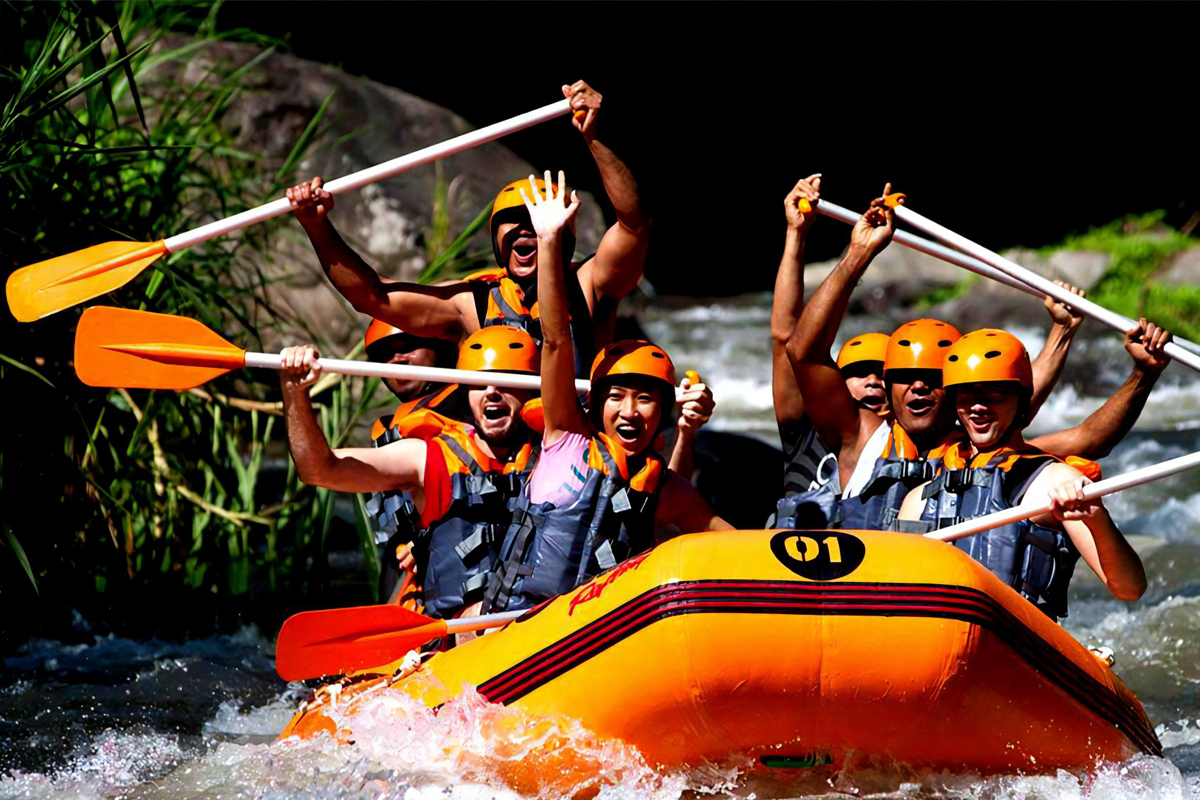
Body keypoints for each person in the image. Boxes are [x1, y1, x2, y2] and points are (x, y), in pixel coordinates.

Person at [483, 172, 730, 614]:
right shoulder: (565, 436)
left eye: (646, 399)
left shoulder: (666, 489)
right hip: (513, 625)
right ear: (596, 403)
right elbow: (557, 340)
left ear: (664, 412)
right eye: (616, 396)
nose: (630, 412)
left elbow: (730, 542)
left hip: (596, 640)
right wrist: (548, 242)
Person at [285, 80, 650, 378]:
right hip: (504, 456)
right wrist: (317, 225)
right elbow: (372, 297)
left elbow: (633, 224)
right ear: (497, 242)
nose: (528, 228)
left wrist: (594, 138)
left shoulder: (593, 284)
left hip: (574, 449)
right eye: (515, 220)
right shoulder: (472, 303)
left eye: (538, 220)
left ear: (565, 236)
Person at [279, 325, 540, 621]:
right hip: (461, 629)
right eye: (480, 383)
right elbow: (318, 470)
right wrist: (295, 393)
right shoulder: (428, 456)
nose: (492, 392)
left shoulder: (557, 450)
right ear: (466, 391)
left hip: (537, 616)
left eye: (505, 380)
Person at [895, 329, 1148, 619]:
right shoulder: (918, 499)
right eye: (966, 394)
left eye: (994, 392)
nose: (978, 406)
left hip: (1016, 645)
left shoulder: (1055, 481)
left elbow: (1129, 588)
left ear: (1021, 401)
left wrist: (1096, 518)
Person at [360, 318, 462, 604]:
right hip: (405, 558)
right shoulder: (385, 430)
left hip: (463, 552)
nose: (398, 360)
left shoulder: (473, 403)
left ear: (438, 348)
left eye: (408, 347)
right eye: (386, 356)